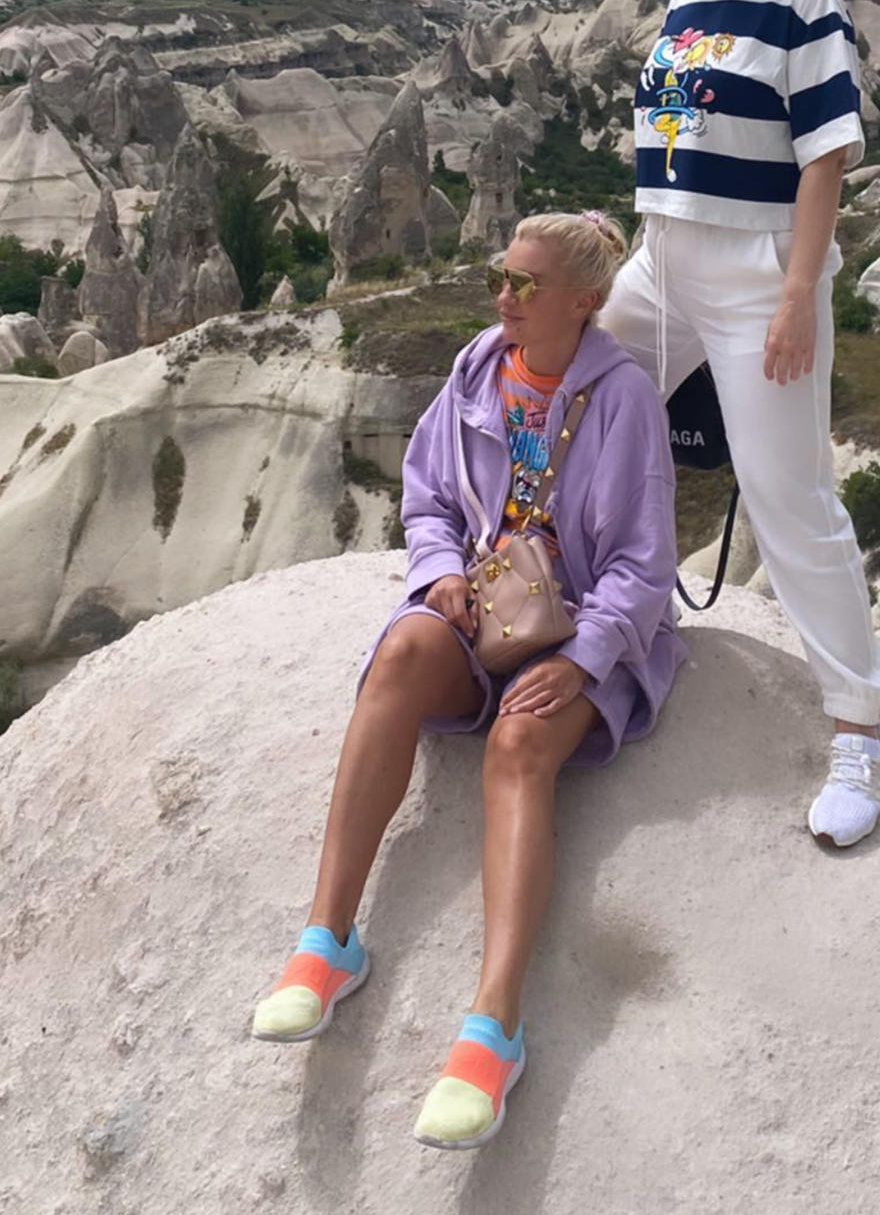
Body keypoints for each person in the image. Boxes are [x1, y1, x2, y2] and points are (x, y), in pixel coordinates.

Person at [251, 212, 685, 1151]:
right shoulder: (478, 368)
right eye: (501, 276)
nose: (503, 297)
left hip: (586, 629)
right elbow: (428, 497)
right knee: (400, 653)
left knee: (521, 742)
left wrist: (581, 661)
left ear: (584, 301)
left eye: (525, 285)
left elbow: (645, 568)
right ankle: (326, 946)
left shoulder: (624, 400)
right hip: (489, 612)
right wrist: (438, 571)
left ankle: (493, 1026)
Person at [601, 0, 880, 846]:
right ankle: (606, 617)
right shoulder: (686, 3)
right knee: (578, 404)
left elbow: (825, 159)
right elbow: (679, 140)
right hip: (660, 259)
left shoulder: (804, 4)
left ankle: (859, 727)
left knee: (788, 498)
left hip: (756, 266)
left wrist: (796, 295)